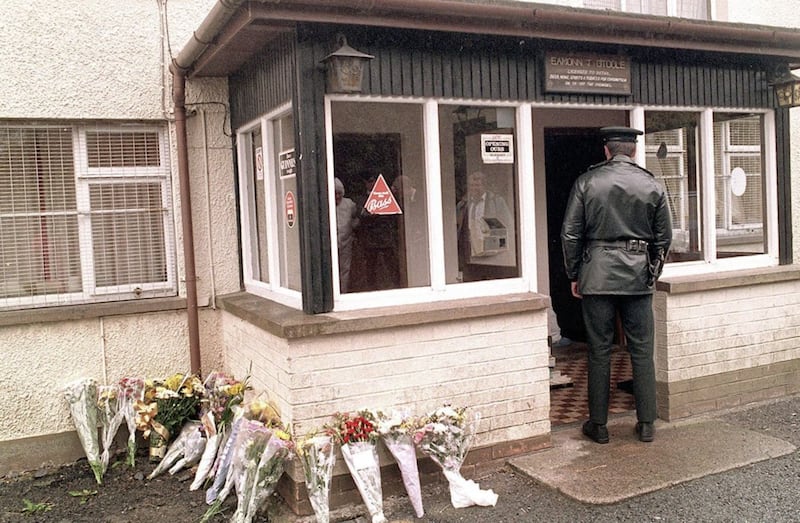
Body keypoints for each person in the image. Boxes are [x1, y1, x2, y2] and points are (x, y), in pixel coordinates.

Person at [560, 126, 672, 444]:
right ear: (633, 151)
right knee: (642, 350)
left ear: (606, 150)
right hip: (638, 276)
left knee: (599, 351)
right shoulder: (651, 183)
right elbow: (664, 238)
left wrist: (574, 274)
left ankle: (599, 425)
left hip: (596, 274)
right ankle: (647, 422)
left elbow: (570, 234)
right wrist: (652, 271)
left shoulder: (587, 181)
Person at [456, 171, 514, 281]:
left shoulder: (496, 201)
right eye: (472, 185)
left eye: (478, 185)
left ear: (484, 186)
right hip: (471, 257)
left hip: (493, 257)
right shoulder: (464, 205)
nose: (474, 188)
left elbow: (509, 226)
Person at [334, 177, 359, 293]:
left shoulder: (349, 204)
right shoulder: (326, 204)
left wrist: (352, 229)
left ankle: (342, 292)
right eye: (334, 193)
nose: (337, 196)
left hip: (346, 242)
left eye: (339, 193)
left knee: (345, 269)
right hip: (332, 243)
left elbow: (356, 218)